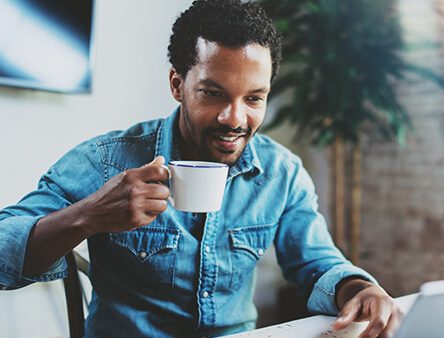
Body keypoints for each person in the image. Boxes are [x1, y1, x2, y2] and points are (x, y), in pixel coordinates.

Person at [0, 0, 401, 337]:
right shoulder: (108, 161)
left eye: (254, 99)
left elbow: (317, 264)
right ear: (177, 84)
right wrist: (88, 215)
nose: (234, 118)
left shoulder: (282, 173)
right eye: (213, 93)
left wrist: (358, 288)